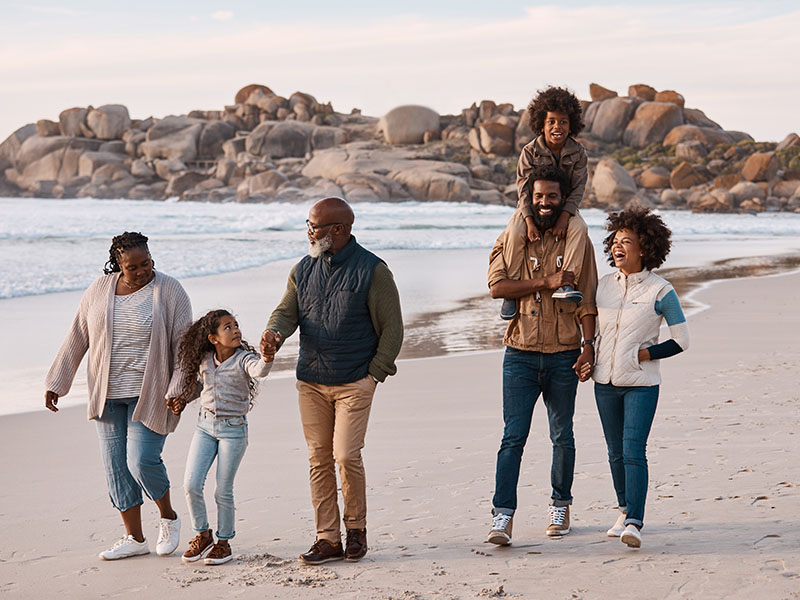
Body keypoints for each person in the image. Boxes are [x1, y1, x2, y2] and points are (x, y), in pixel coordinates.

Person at [261, 197, 403, 565]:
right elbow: (285, 312)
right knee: (318, 458)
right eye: (308, 225)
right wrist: (274, 334)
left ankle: (356, 530)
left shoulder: (374, 270)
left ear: (338, 230)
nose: (309, 232)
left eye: (314, 226)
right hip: (310, 380)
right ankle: (327, 538)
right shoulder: (302, 269)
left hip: (355, 380)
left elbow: (393, 329)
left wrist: (375, 375)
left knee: (345, 454)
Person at [44, 232, 192, 560]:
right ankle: (135, 538)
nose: (142, 271)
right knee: (116, 467)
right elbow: (78, 334)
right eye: (132, 267)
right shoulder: (99, 289)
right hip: (107, 395)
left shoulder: (170, 290)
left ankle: (168, 517)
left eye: (147, 263)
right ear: (117, 265)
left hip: (151, 393)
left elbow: (184, 346)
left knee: (141, 460)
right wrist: (57, 380)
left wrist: (180, 388)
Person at [486, 165, 598, 546]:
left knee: (562, 435)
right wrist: (546, 282)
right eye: (538, 197)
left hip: (564, 353)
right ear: (529, 199)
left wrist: (588, 346)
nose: (545, 203)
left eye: (552, 196)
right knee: (512, 438)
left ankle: (560, 504)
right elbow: (497, 286)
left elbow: (589, 300)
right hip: (518, 353)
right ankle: (502, 517)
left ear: (561, 199)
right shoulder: (514, 237)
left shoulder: (578, 240)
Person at [586, 207, 689, 549]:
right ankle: (623, 509)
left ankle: (634, 522)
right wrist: (587, 356)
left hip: (642, 385)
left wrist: (644, 355)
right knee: (615, 453)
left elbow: (681, 340)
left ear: (644, 247)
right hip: (605, 384)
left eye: (626, 241)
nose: (618, 247)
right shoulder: (603, 287)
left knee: (633, 450)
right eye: (614, 241)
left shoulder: (661, 290)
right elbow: (594, 331)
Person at [167, 309, 275, 565]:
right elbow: (199, 388)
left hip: (234, 431)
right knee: (190, 485)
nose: (236, 329)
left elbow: (259, 370)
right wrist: (182, 399)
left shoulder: (244, 359)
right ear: (213, 338)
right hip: (204, 428)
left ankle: (224, 543)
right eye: (227, 327)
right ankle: (203, 535)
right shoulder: (205, 360)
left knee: (223, 490)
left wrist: (268, 357)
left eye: (236, 325)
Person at [500, 86, 590, 319]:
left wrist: (564, 217)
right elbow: (523, 190)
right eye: (551, 122)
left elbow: (578, 188)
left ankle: (566, 284)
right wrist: (529, 221)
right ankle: (511, 290)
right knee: (515, 230)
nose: (556, 127)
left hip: (564, 207)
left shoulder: (578, 153)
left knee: (580, 229)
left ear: (571, 126)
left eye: (563, 122)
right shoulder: (530, 152)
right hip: (533, 207)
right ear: (542, 124)